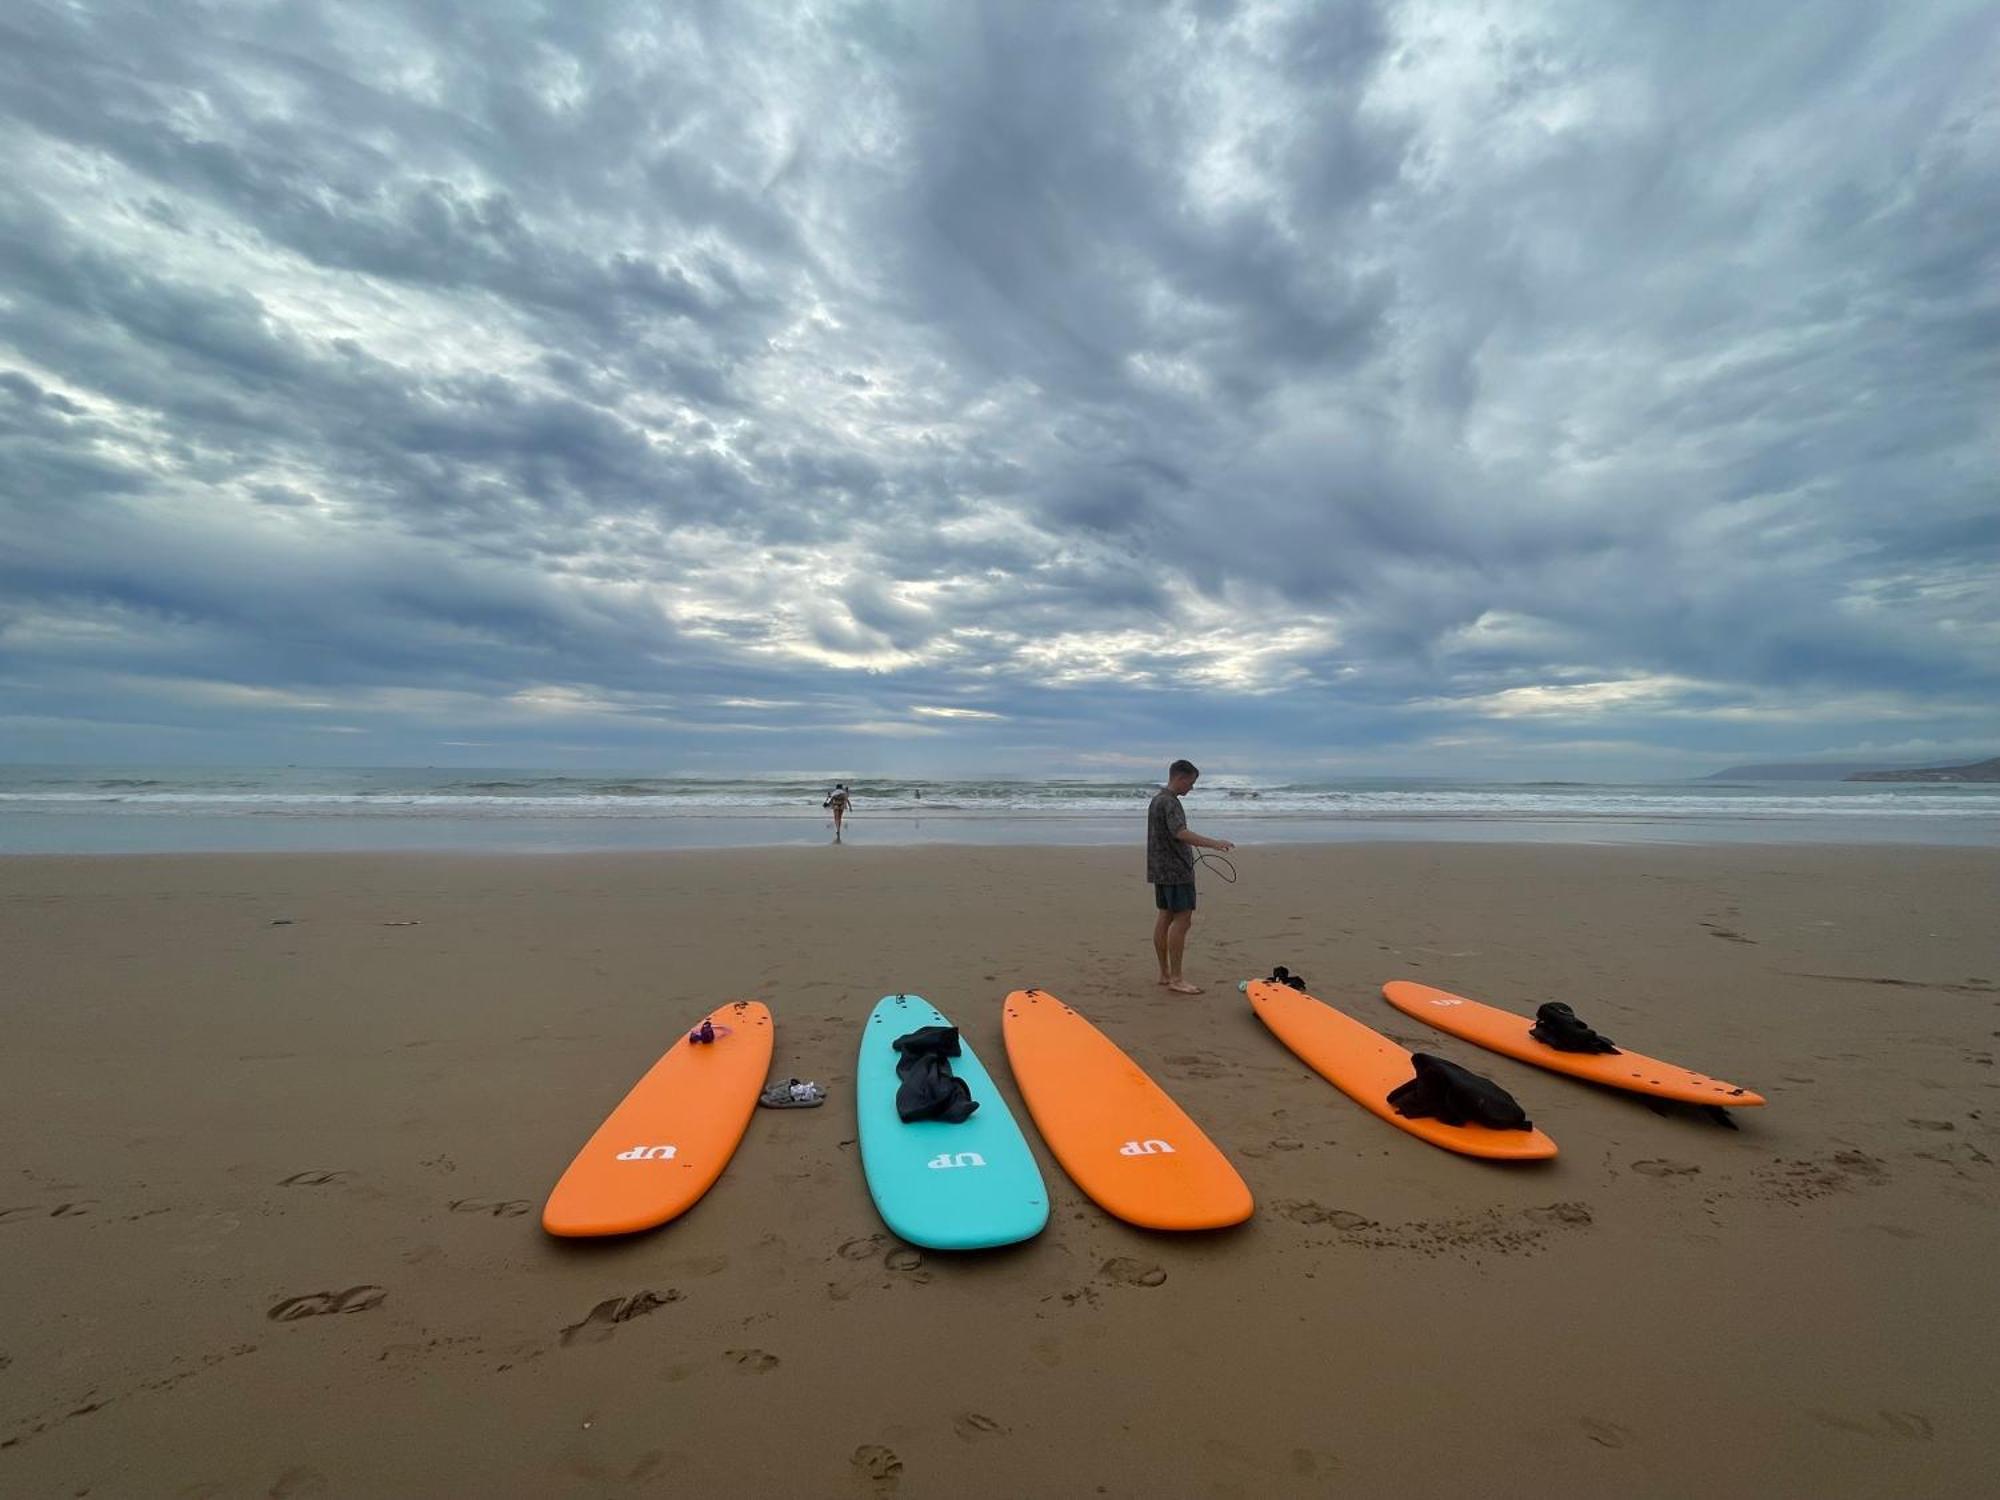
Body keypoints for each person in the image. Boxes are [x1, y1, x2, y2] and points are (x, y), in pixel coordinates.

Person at [1146, 759, 1233, 994]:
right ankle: (1176, 978)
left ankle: (1165, 974)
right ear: (1181, 777)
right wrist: (1215, 844)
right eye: (1191, 783)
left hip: (1159, 869)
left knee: (1165, 916)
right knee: (1182, 921)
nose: (1191, 788)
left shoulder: (1157, 800)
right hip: (1176, 871)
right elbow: (1180, 832)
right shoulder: (1170, 802)